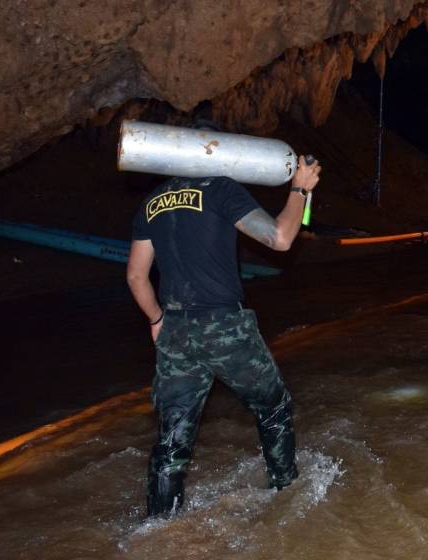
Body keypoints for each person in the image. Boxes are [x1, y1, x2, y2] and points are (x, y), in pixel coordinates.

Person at [126, 147, 321, 518]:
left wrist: (156, 320)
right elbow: (279, 238)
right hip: (223, 327)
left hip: (176, 331)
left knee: (172, 437)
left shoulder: (152, 202)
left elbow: (136, 276)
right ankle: (288, 499)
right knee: (273, 407)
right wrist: (299, 189)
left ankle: (158, 527)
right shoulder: (220, 188)